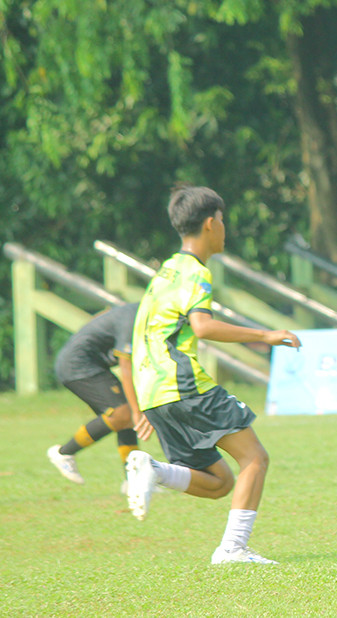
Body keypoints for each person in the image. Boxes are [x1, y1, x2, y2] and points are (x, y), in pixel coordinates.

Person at [125, 184, 301, 565]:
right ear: (209, 224)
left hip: (154, 393)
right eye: (222, 220)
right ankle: (233, 548)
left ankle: (154, 471)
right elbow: (202, 327)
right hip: (183, 385)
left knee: (220, 483)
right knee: (255, 458)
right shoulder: (195, 272)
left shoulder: (166, 272)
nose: (224, 228)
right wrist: (266, 335)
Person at [47, 303, 141, 488]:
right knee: (123, 413)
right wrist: (137, 409)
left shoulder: (136, 312)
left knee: (124, 416)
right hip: (78, 366)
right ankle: (64, 453)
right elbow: (125, 364)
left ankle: (133, 481)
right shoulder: (133, 317)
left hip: (90, 365)